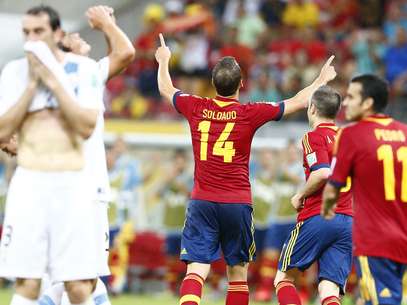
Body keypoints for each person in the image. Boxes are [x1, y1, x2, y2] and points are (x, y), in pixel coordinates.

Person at [155, 32, 336, 305]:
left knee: (196, 271)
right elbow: (298, 101)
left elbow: (166, 90)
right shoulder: (250, 112)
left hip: (202, 200)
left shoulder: (195, 106)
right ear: (242, 84)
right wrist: (321, 80)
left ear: (212, 84)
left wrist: (163, 61)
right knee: (237, 274)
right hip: (237, 202)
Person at [0, 5, 103, 305]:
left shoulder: (83, 69)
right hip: (29, 184)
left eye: (39, 31)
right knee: (27, 281)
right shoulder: (14, 72)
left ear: (57, 33)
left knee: (79, 286)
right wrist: (32, 86)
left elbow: (85, 126)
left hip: (72, 184)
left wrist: (53, 81)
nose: (31, 38)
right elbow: (2, 131)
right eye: (26, 32)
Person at [37, 5, 135, 305]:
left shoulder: (58, 80)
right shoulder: (85, 72)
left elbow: (117, 56)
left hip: (61, 188)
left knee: (81, 280)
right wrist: (106, 24)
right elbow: (126, 53)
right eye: (72, 38)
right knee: (82, 280)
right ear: (66, 52)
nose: (78, 36)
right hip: (87, 190)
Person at [322, 74, 407, 305]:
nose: (345, 103)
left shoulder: (351, 134)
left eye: (351, 96)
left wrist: (328, 208)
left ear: (368, 103)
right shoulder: (405, 133)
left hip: (376, 241)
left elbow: (332, 187)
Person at [273, 86, 353, 305]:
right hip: (347, 221)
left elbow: (322, 172)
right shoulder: (347, 139)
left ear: (313, 109)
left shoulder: (313, 137)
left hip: (318, 216)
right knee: (329, 287)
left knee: (284, 277)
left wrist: (299, 195)